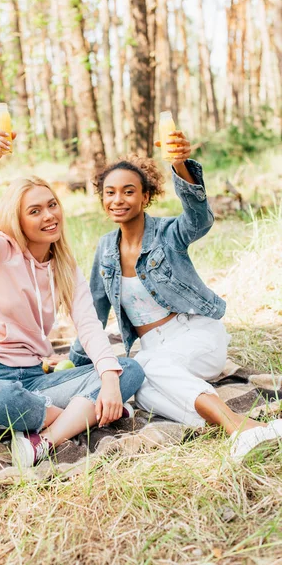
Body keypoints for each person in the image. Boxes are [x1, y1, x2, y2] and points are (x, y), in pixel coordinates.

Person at [69, 131, 282, 461]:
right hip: (157, 351)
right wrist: (78, 365)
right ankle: (247, 426)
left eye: (129, 191)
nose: (118, 200)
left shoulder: (168, 234)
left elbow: (199, 218)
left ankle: (238, 428)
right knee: (141, 390)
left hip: (195, 336)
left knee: (145, 367)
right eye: (109, 193)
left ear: (146, 196)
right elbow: (94, 311)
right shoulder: (105, 250)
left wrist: (180, 165)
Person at [0, 129, 144, 469]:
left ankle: (47, 439)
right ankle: (77, 416)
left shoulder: (65, 267)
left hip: (36, 379)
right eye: (35, 211)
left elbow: (89, 325)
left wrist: (110, 380)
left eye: (52, 205)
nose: (49, 215)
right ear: (18, 219)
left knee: (128, 369)